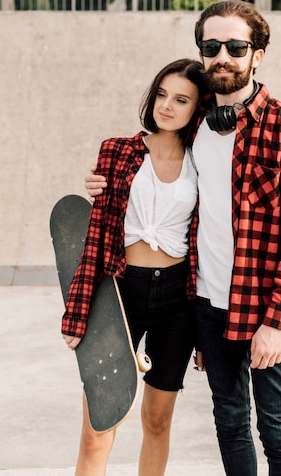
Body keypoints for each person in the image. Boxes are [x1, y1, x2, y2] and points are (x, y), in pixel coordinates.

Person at [85, 0, 281, 476]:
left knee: (277, 429)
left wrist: (277, 321)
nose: (223, 56)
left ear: (258, 55)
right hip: (207, 304)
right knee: (230, 424)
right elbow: (152, 160)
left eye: (236, 46)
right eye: (211, 46)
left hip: (263, 308)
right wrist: (104, 183)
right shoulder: (197, 126)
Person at [62, 58, 205, 476]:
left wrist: (206, 329)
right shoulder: (118, 151)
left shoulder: (203, 163)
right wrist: (78, 309)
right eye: (161, 94)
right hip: (121, 293)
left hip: (177, 299)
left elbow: (209, 243)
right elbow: (97, 236)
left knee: (157, 422)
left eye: (181, 99)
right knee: (98, 427)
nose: (167, 106)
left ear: (197, 108)